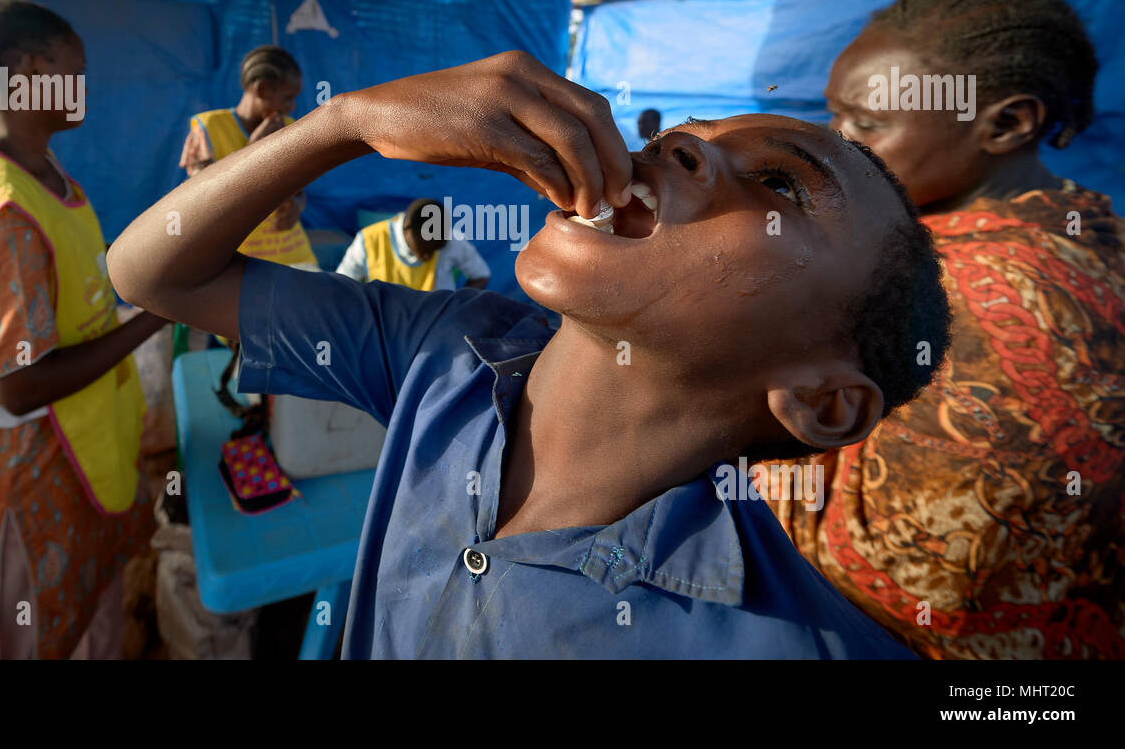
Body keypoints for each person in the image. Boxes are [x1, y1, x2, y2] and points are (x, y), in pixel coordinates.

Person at [110, 50, 951, 659]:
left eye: (781, 187)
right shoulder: (446, 353)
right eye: (689, 132)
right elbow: (153, 273)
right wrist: (348, 122)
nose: (679, 144)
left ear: (824, 401)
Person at [770, 0, 1125, 659]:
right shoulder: (1092, 229)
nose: (836, 145)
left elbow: (917, 577)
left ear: (1007, 124)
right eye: (835, 117)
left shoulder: (968, 297)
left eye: (869, 125)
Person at [0, 0, 166, 659]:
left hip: (79, 459)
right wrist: (154, 319)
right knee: (23, 639)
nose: (84, 86)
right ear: (30, 67)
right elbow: (18, 383)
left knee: (87, 619)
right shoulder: (6, 211)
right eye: (76, 68)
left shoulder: (42, 177)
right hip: (29, 477)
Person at [179, 45, 318, 269]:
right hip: (233, 259)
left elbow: (299, 191)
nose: (292, 107)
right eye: (287, 98)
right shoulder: (208, 129)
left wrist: (297, 206)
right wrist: (253, 147)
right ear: (262, 90)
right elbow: (203, 200)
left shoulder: (290, 129)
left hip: (290, 254)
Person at [336, 197, 490, 290]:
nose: (427, 256)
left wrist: (459, 306)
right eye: (424, 249)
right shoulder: (368, 240)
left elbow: (481, 275)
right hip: (384, 326)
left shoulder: (452, 239)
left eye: (435, 249)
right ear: (407, 229)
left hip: (435, 325)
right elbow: (342, 285)